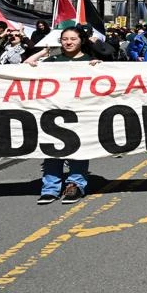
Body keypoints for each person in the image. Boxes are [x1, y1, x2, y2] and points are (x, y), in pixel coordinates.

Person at [26, 27, 99, 204]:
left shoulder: (90, 61)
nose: (68, 42)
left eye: (73, 39)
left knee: (78, 150)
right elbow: (25, 67)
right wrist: (43, 52)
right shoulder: (53, 61)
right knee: (52, 150)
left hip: (80, 113)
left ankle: (75, 184)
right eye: (64, 39)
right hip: (53, 113)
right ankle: (50, 188)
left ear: (82, 40)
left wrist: (98, 66)